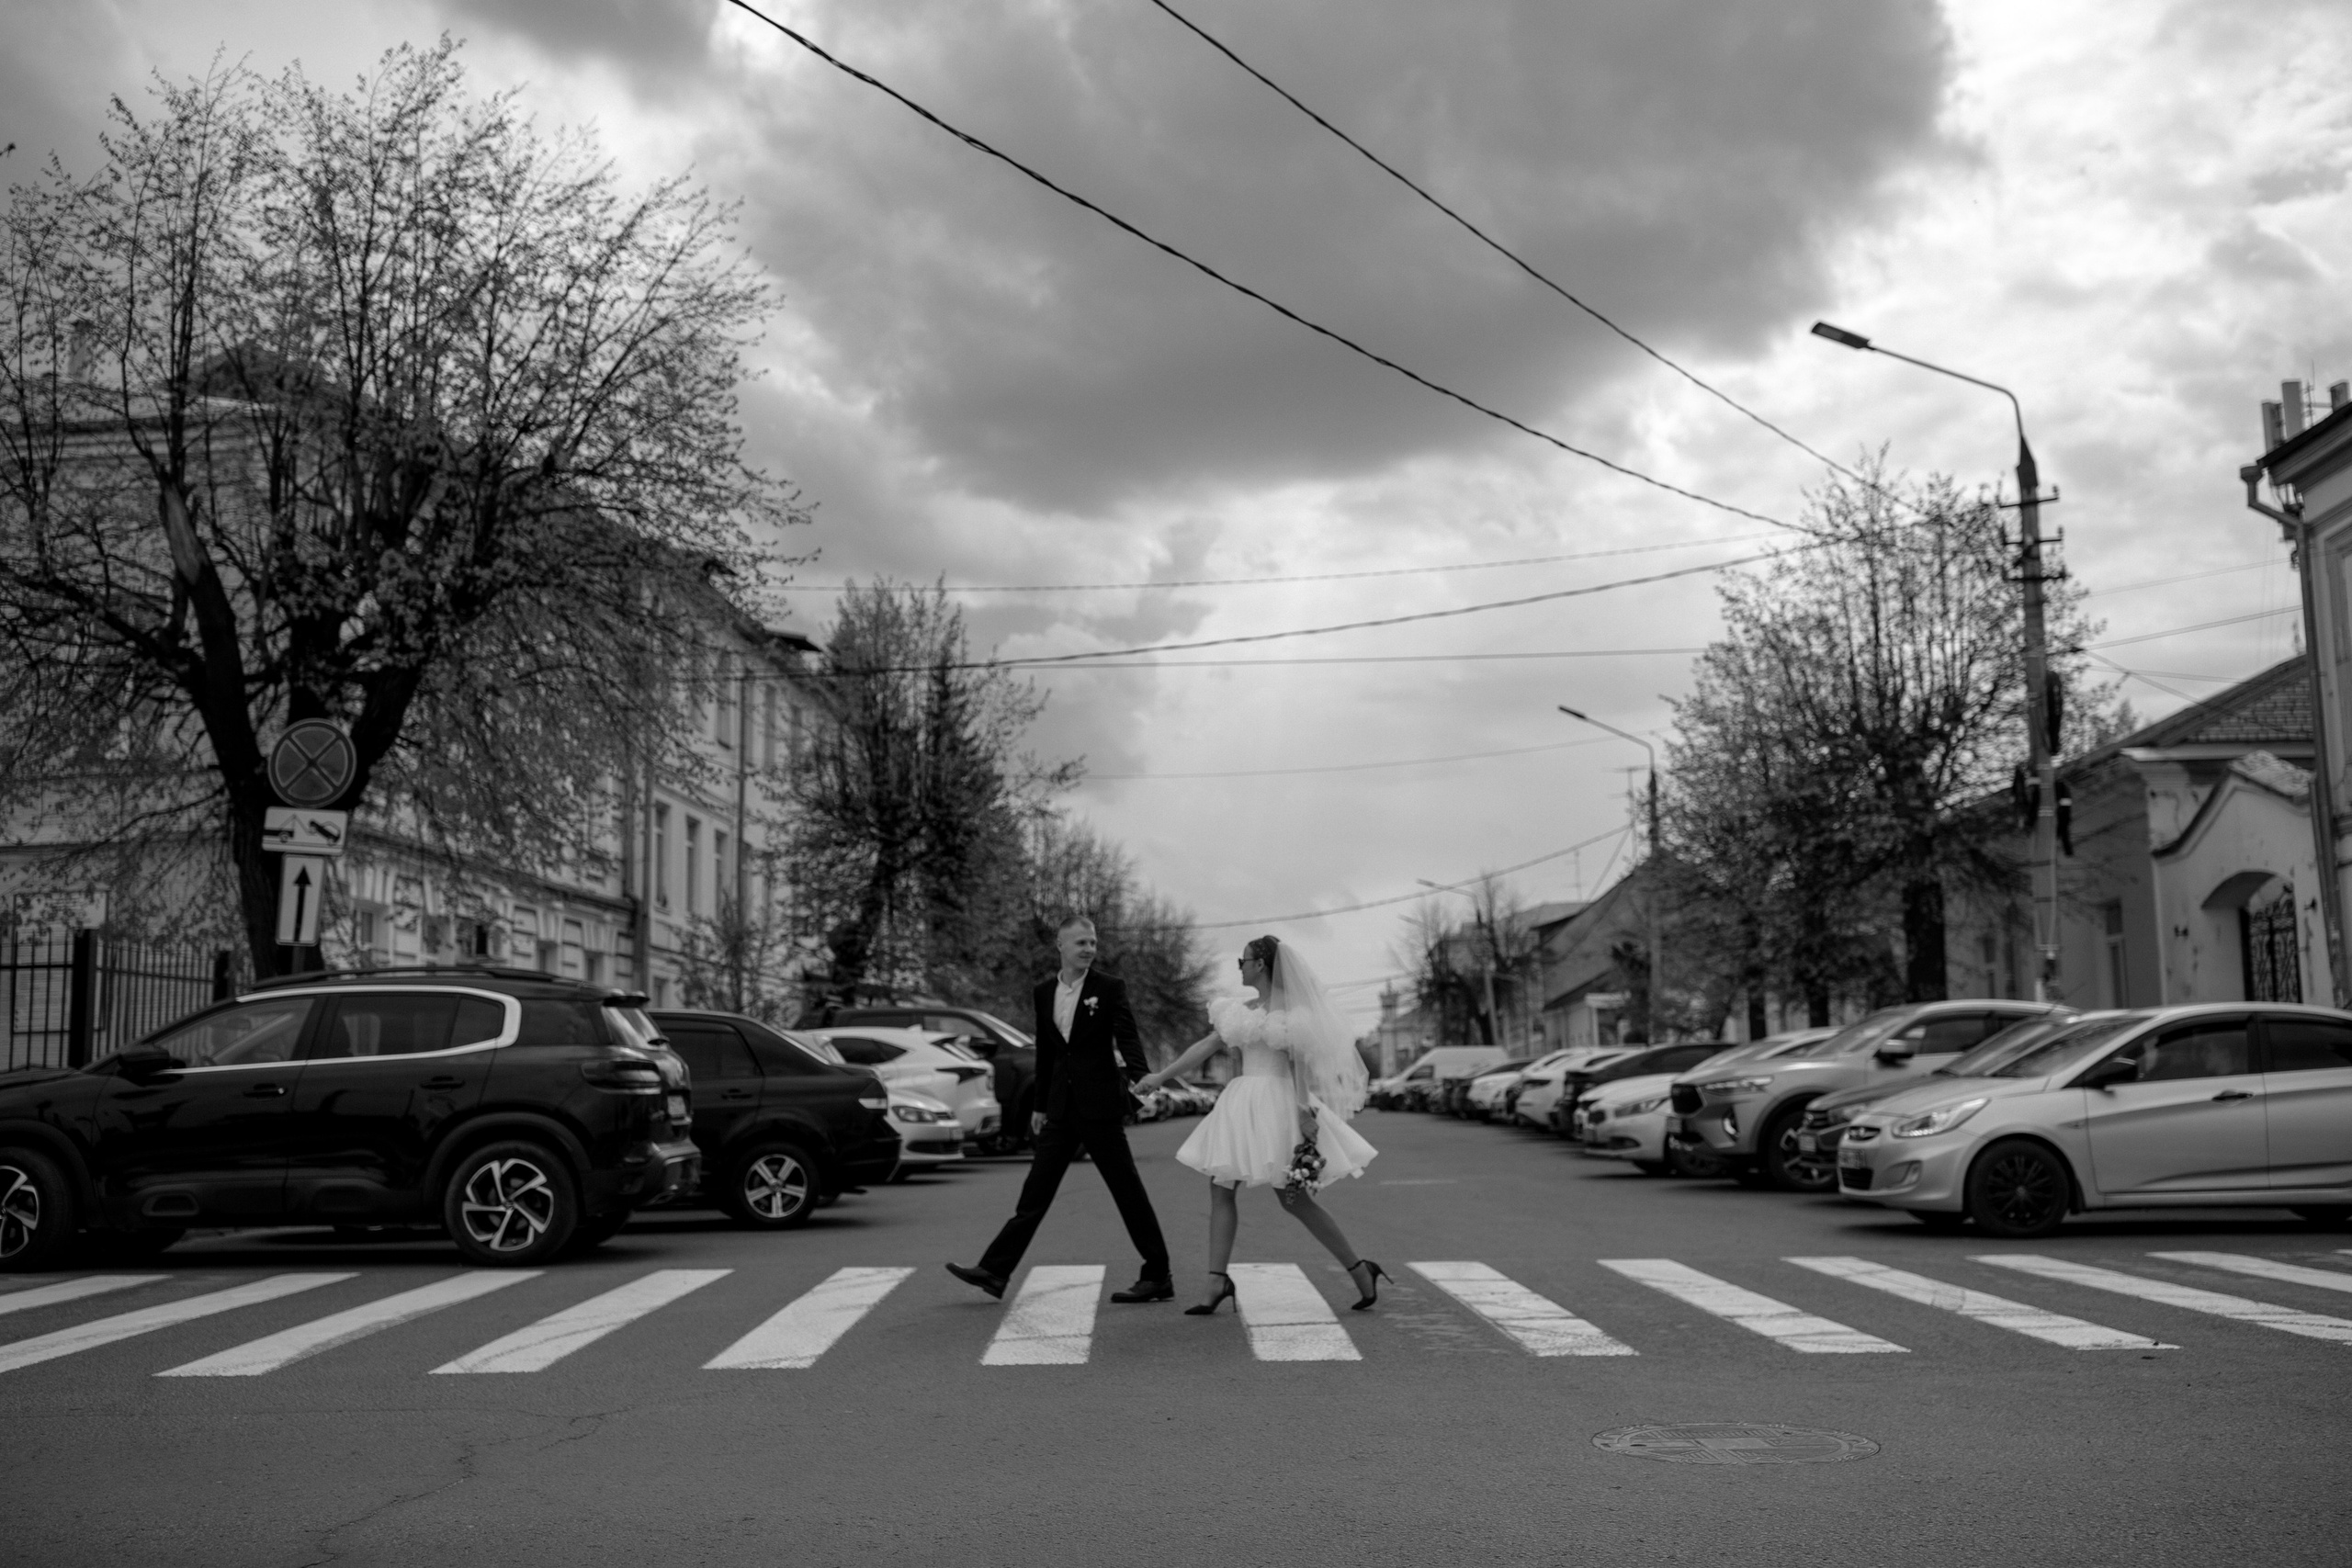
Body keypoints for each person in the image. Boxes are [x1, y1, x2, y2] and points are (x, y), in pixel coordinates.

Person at [1136, 933, 1387, 1314]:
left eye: (1244, 960)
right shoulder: (1240, 1010)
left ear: (1261, 965)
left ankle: (1359, 1268)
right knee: (1221, 1188)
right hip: (1241, 1104)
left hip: (1278, 1104)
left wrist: (1304, 1111)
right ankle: (1216, 1281)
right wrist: (1160, 1076)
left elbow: (1297, 1063)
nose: (1240, 967)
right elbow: (1206, 1046)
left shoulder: (1292, 1012)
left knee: (1294, 1200)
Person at [947, 915, 1174, 1303]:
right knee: (1034, 1193)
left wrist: (1141, 1076)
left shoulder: (1108, 987)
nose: (1089, 949)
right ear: (1061, 945)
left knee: (1127, 1192)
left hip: (1100, 1108)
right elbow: (1048, 1054)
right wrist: (1039, 1106)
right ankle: (995, 1270)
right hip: (1060, 1110)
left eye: (1093, 943)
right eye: (1081, 943)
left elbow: (1127, 1035)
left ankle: (1158, 1275)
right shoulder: (1043, 993)